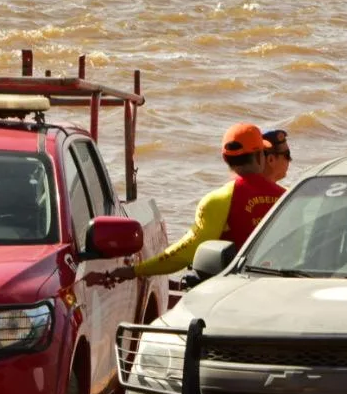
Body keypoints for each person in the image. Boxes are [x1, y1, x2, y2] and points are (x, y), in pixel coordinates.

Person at [85, 123, 285, 287]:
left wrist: (135, 270)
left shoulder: (219, 199)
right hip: (284, 289)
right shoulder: (289, 197)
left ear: (225, 159)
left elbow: (185, 252)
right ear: (260, 156)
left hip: (232, 294)